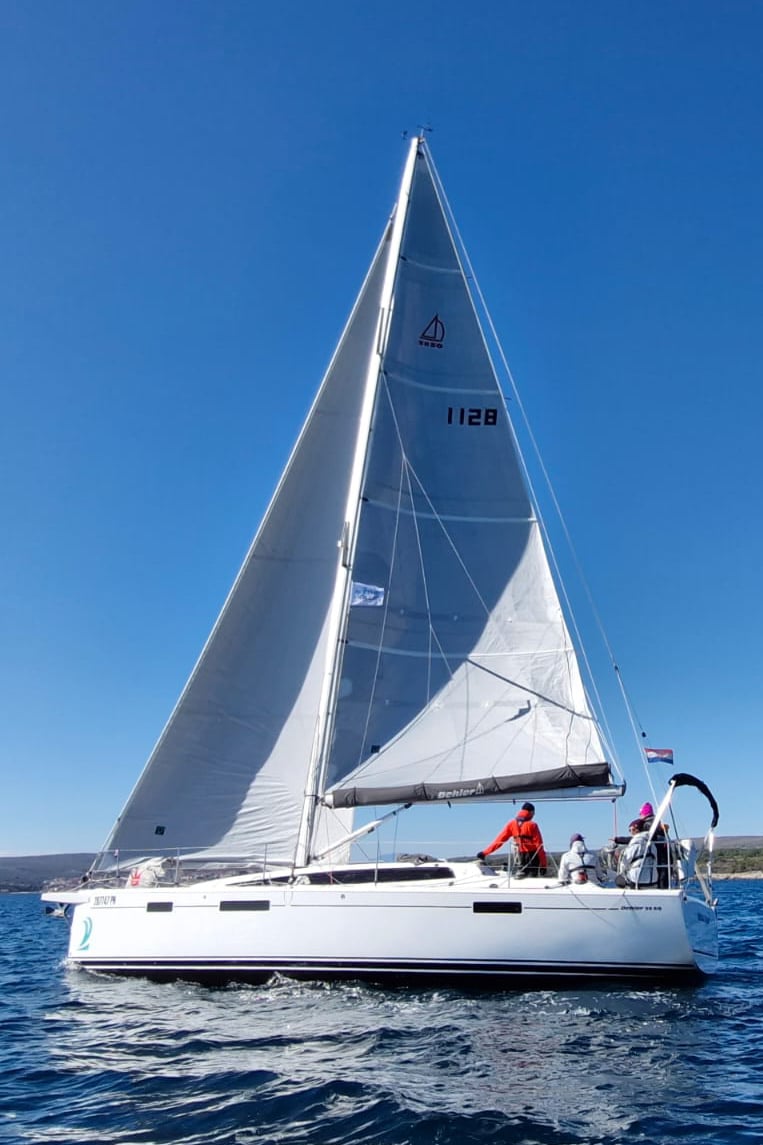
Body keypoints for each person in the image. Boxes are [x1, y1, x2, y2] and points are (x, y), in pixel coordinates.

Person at [477, 802, 547, 877]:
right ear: (531, 812)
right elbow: (539, 846)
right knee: (532, 880)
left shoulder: (512, 824)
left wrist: (485, 853)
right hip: (533, 856)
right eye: (534, 813)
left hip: (519, 856)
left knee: (521, 878)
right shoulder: (533, 825)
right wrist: (543, 865)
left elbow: (499, 840)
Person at [616, 818, 658, 888]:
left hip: (636, 880)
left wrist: (621, 873)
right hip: (653, 880)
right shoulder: (652, 845)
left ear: (636, 830)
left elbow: (624, 863)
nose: (630, 832)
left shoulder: (635, 844)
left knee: (618, 880)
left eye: (630, 830)